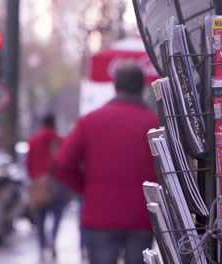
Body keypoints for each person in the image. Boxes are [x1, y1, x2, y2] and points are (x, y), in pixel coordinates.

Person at [55, 62, 160, 264]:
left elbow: (63, 164)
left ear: (115, 85)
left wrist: (84, 187)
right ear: (142, 87)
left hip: (99, 214)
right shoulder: (154, 124)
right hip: (141, 215)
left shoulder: (89, 122)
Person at [26, 113, 70, 260]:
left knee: (39, 218)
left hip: (38, 183)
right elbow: (66, 161)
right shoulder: (61, 140)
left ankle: (41, 247)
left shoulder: (33, 140)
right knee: (57, 214)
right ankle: (53, 238)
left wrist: (33, 178)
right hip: (58, 182)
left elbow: (28, 163)